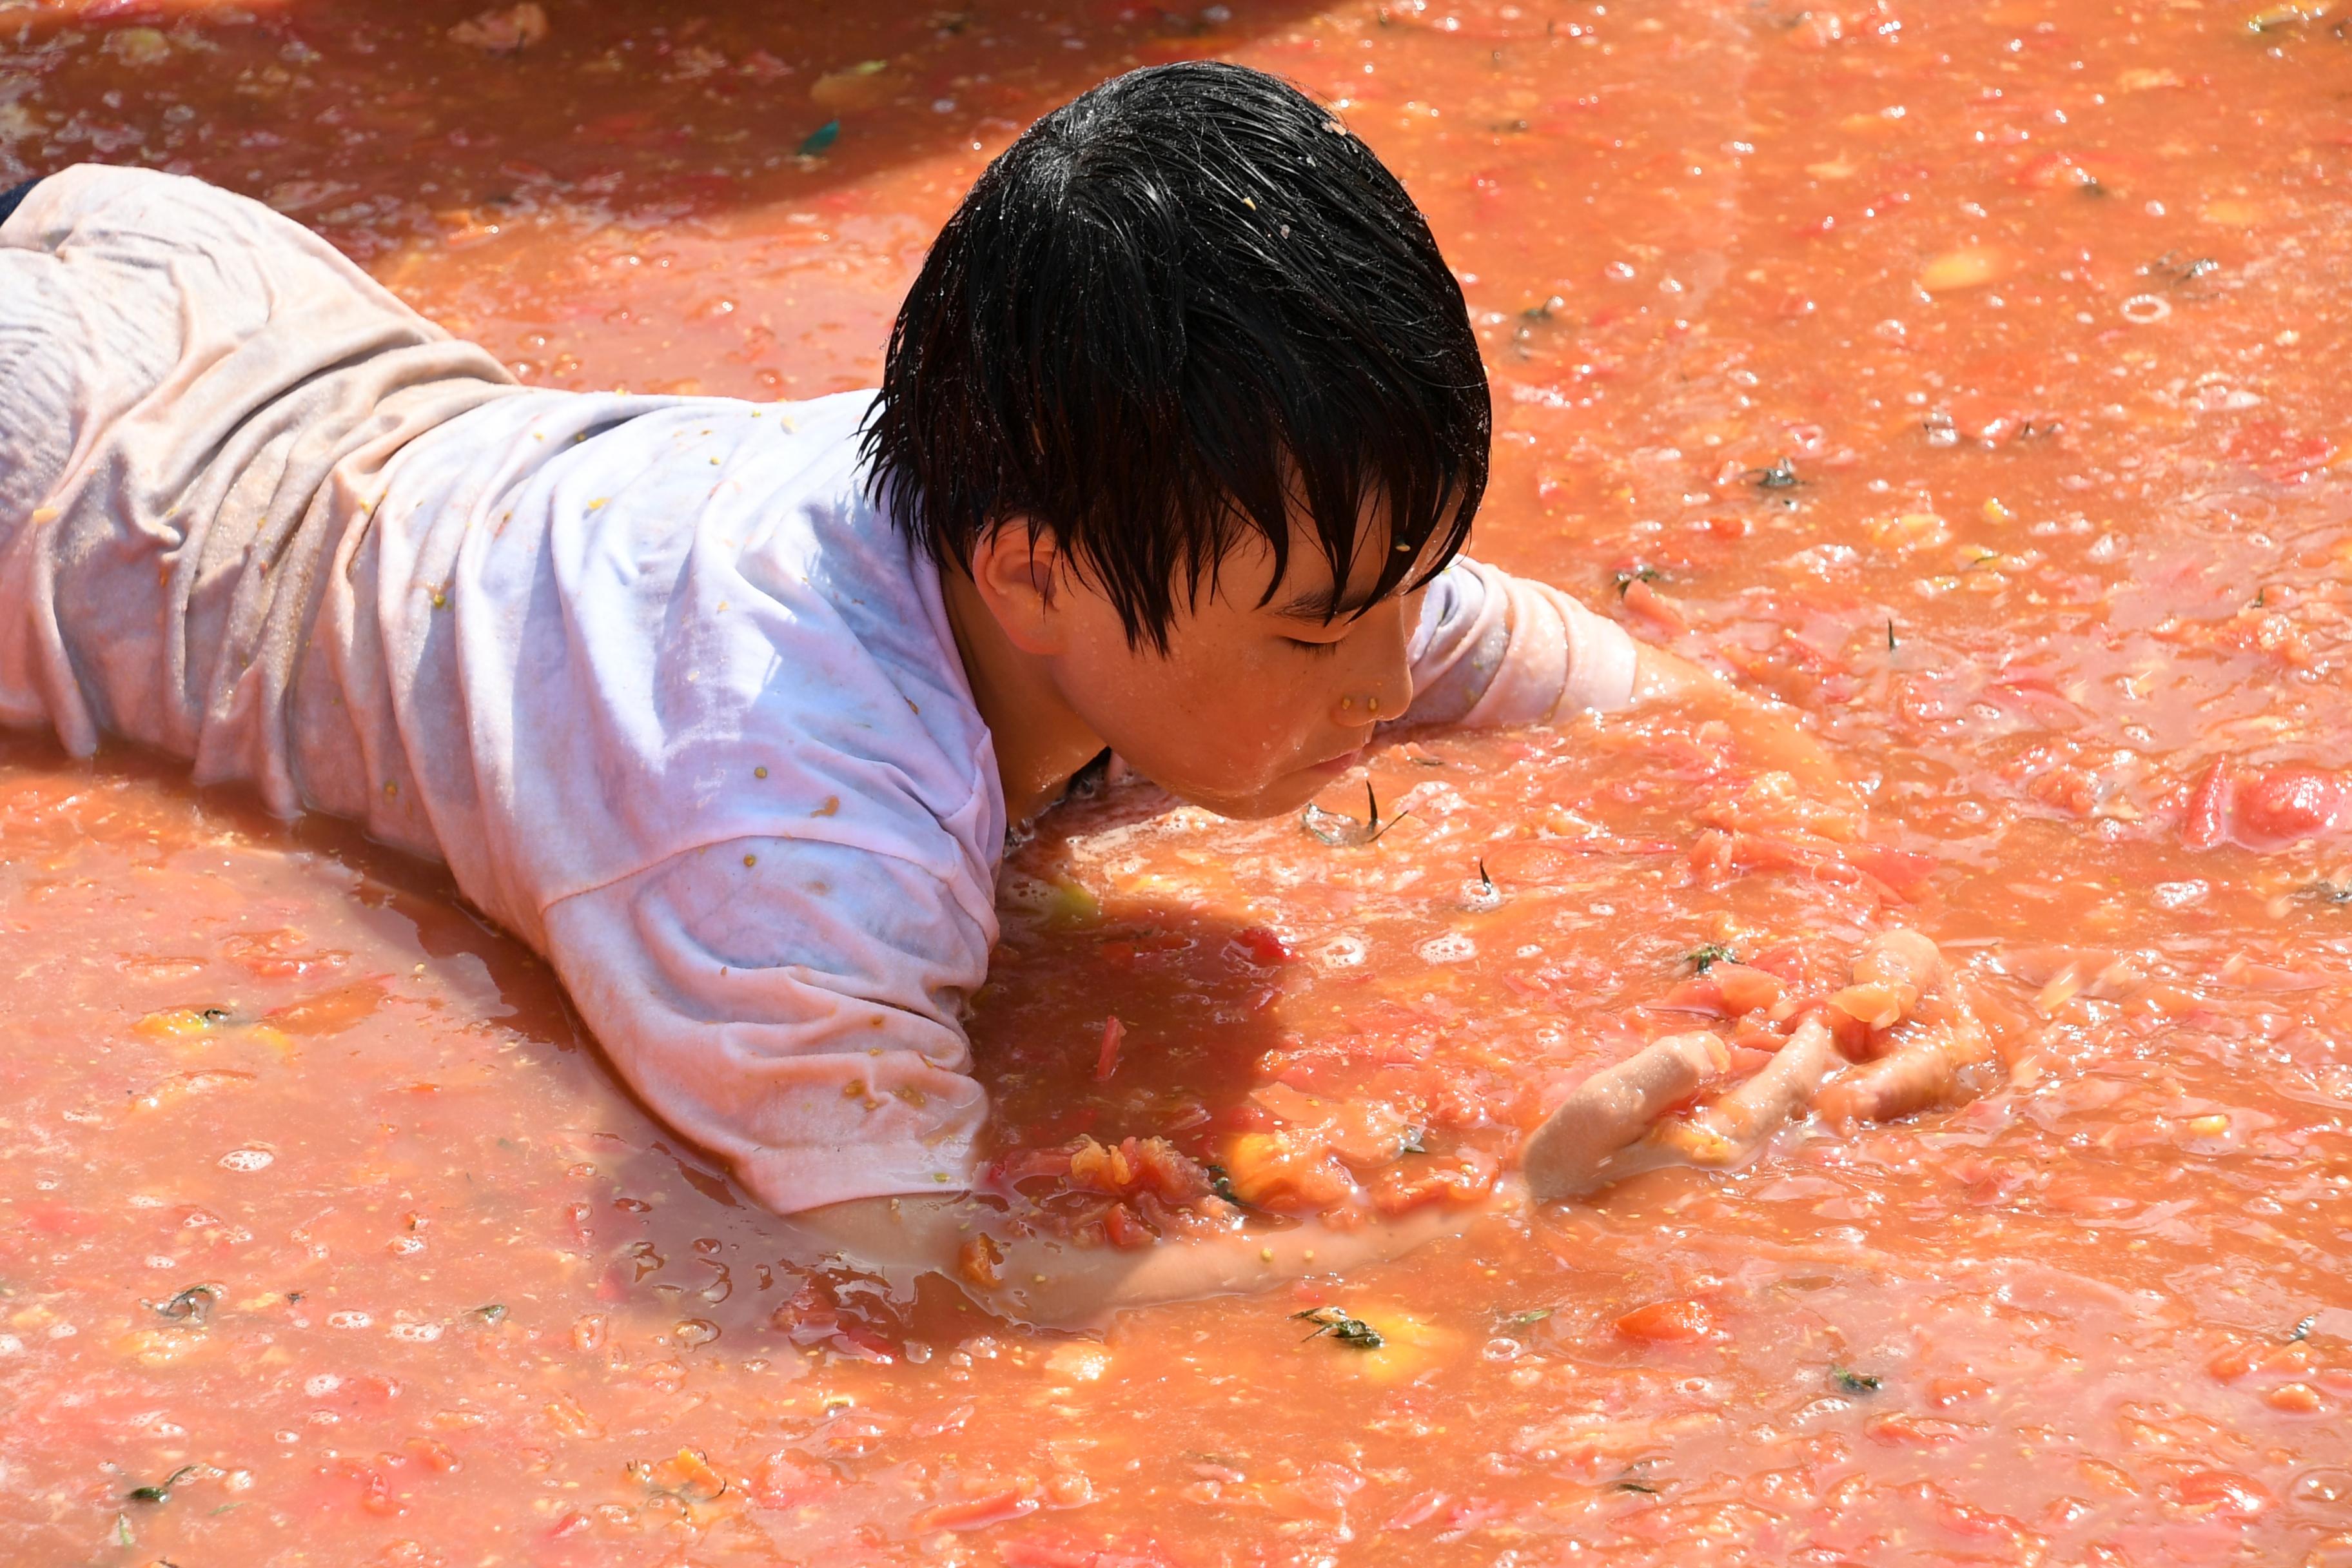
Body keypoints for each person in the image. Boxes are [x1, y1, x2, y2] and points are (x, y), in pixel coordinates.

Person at [0, 62, 1823, 1319]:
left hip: (240, 305)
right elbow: (896, 1276)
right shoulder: (785, 823)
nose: (1397, 676)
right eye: (1326, 629)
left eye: (1409, 587)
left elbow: (1614, 693)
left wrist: (1813, 850)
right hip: (72, 506)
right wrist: (1502, 1222)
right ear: (1030, 570)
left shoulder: (1138, 520)